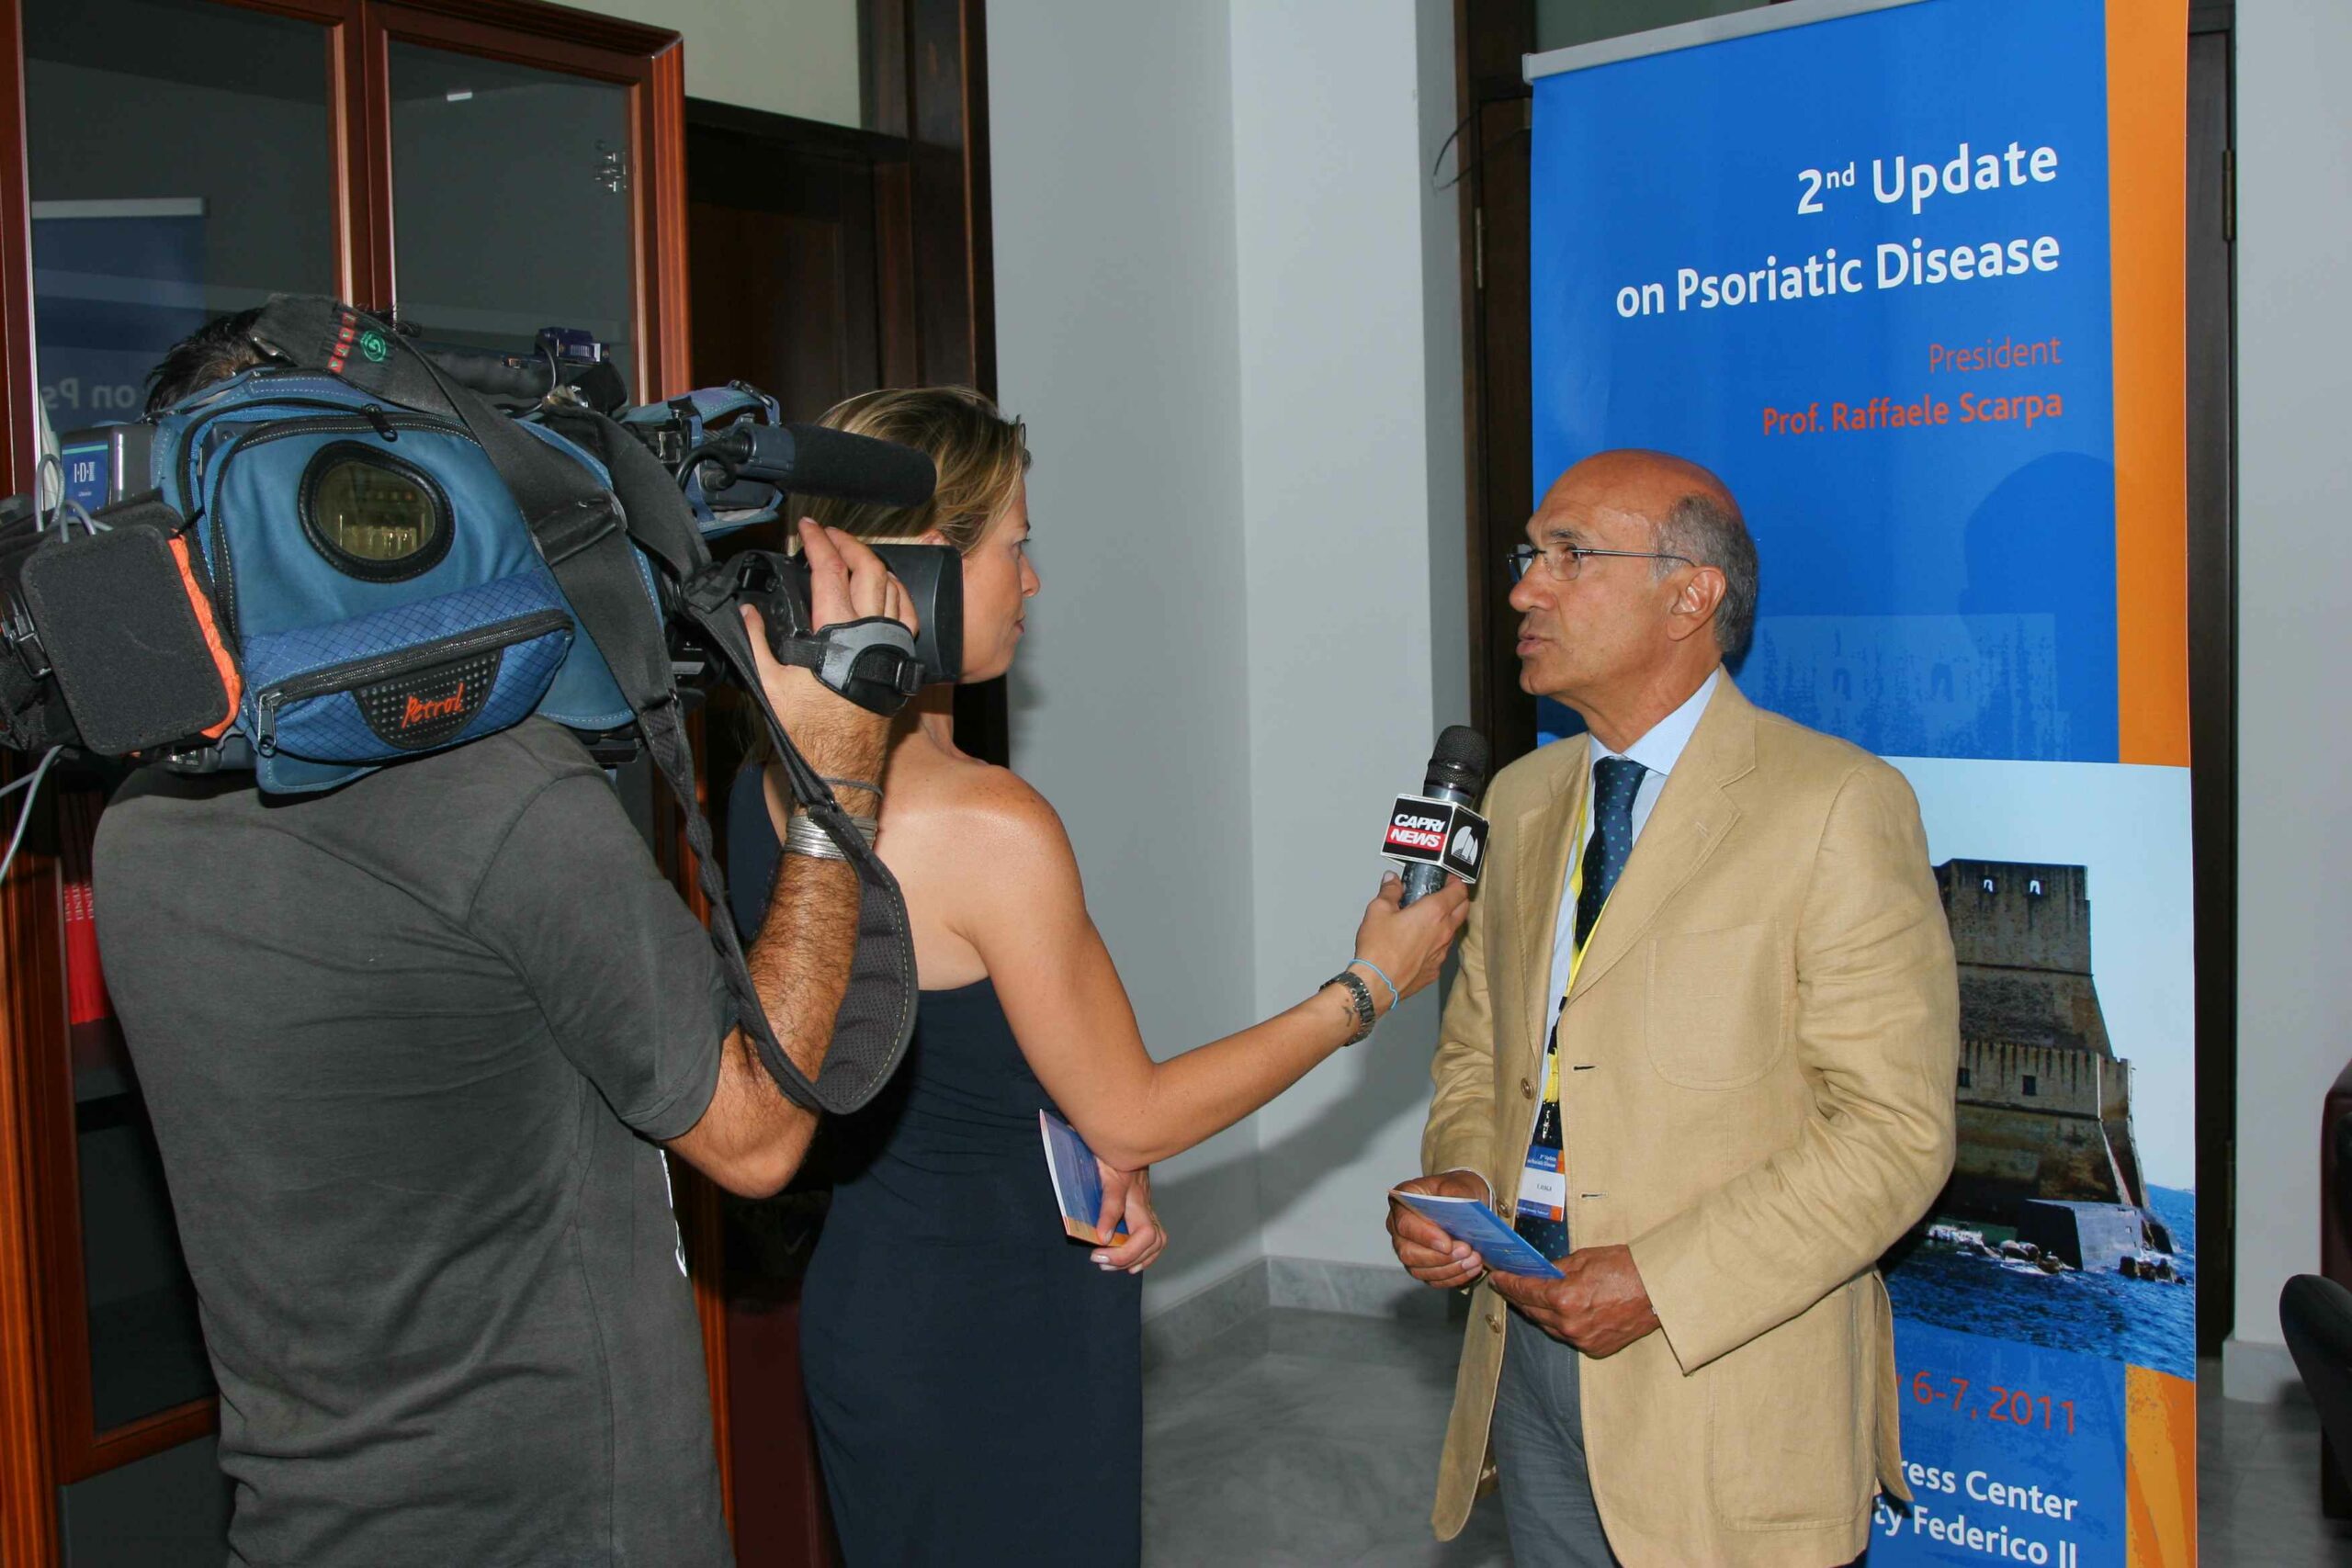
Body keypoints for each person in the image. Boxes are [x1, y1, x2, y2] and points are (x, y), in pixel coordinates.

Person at [94, 311, 917, 1566]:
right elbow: (756, 1135)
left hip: (305, 1521)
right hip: (567, 1522)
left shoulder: (138, 820)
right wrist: (837, 781)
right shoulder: (504, 799)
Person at [725, 386, 1471, 1567]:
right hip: (996, 1331)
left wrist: (1085, 1156)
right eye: (1014, 547)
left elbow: (949, 1063)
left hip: (876, 1304)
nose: (1031, 582)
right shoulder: (987, 822)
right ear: (923, 567)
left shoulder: (771, 779)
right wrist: (1368, 987)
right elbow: (1134, 1111)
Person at [1385, 449, 1959, 1567]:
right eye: (1526, 556)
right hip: (1523, 1349)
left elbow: (1895, 1132)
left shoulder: (1835, 804)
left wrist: (1660, 1282)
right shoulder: (1522, 797)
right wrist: (1459, 1180)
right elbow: (1481, 1055)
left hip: (1723, 1373)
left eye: (1569, 556)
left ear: (1691, 595)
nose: (1524, 589)